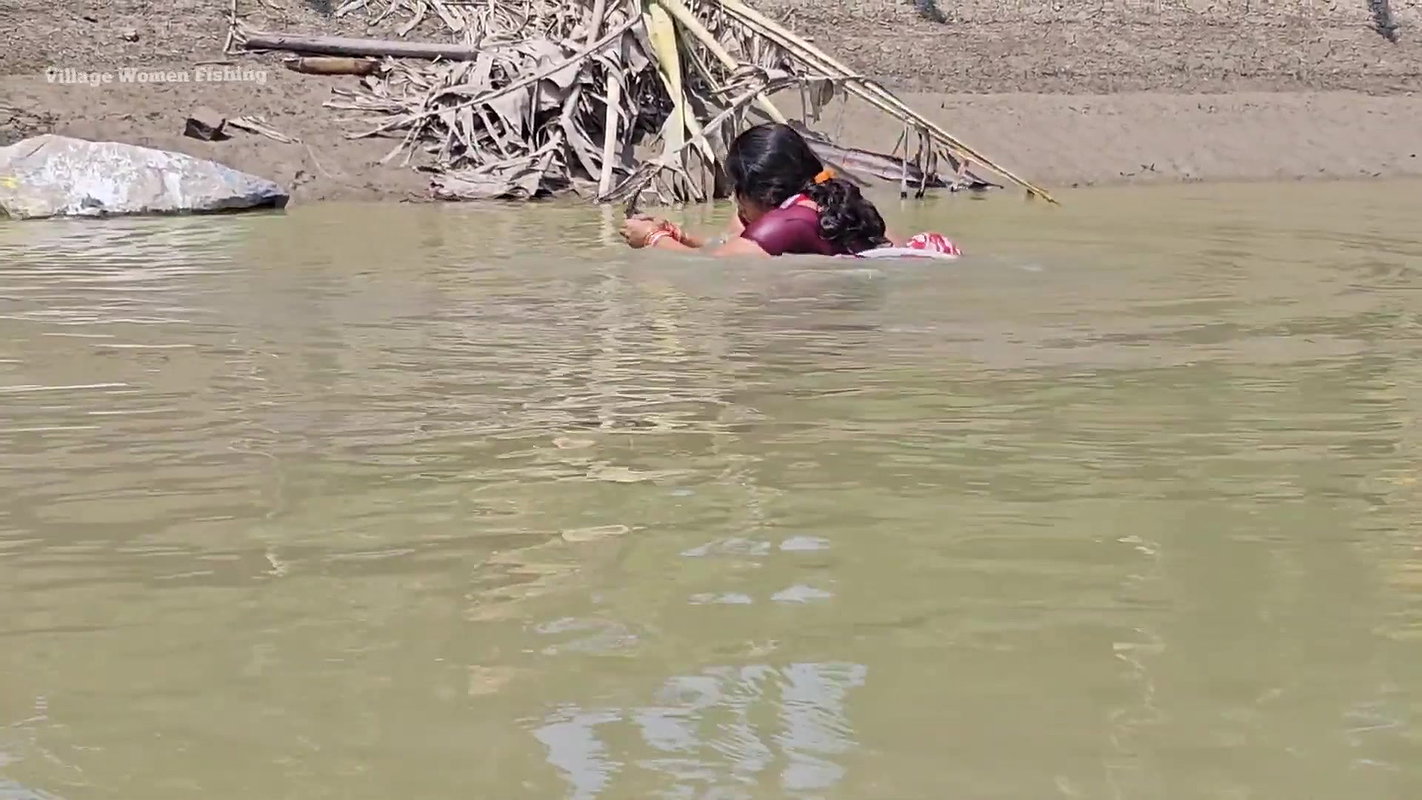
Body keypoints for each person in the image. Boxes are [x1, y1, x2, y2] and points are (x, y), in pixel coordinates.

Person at [619, 122, 960, 259]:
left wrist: (651, 239)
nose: (735, 200)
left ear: (763, 193)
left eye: (737, 190)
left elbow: (711, 267)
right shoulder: (827, 198)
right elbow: (730, 244)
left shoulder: (784, 224)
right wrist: (681, 235)